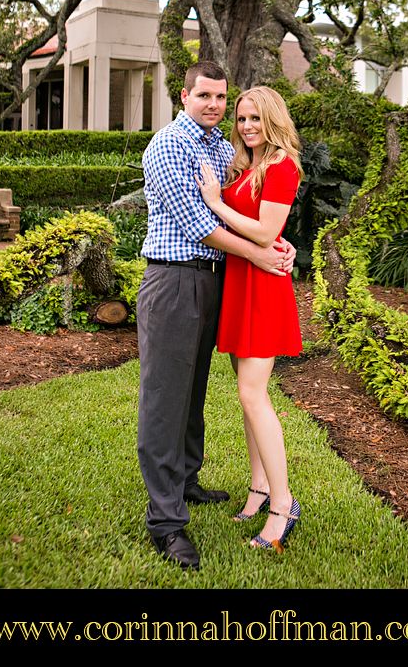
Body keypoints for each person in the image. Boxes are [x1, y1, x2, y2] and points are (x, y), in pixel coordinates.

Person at [137, 62, 296, 571]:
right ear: (183, 96)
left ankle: (187, 481)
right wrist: (260, 252)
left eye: (221, 97)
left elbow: (256, 213)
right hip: (175, 277)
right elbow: (196, 222)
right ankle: (167, 522)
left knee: (193, 391)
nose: (214, 105)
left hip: (217, 281)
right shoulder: (168, 145)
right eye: (203, 95)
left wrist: (275, 241)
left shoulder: (222, 150)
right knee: (165, 398)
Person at [196, 86, 303, 551]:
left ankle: (283, 504)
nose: (246, 126)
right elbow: (264, 231)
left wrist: (217, 204)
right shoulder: (249, 165)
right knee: (246, 396)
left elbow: (265, 230)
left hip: (264, 290)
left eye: (255, 118)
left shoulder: (282, 165)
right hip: (243, 283)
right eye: (241, 119)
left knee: (252, 394)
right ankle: (259, 488)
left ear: (273, 119)